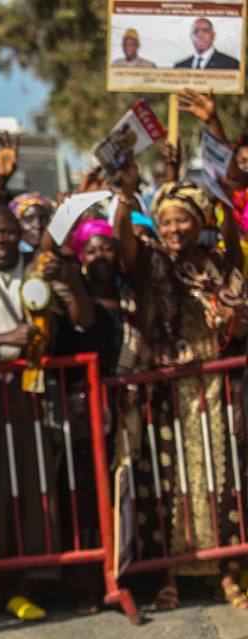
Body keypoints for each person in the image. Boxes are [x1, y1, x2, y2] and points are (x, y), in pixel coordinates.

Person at [0, 206, 93, 624]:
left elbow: (83, 319)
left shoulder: (39, 272)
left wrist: (69, 279)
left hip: (30, 397)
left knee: (27, 487)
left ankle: (21, 586)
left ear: (19, 235)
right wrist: (5, 338)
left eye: (7, 232)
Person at [112, 165, 248, 611]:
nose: (173, 228)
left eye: (182, 220)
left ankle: (227, 574)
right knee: (171, 483)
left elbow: (240, 310)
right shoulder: (152, 260)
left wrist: (229, 319)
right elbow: (124, 245)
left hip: (215, 388)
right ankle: (170, 575)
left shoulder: (217, 264)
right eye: (166, 220)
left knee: (221, 479)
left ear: (199, 220)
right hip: (166, 391)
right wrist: (127, 197)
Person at [174, 18, 239, 70]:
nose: (200, 35)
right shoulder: (180, 66)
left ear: (213, 35)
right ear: (190, 36)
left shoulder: (231, 64)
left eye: (205, 31)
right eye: (195, 31)